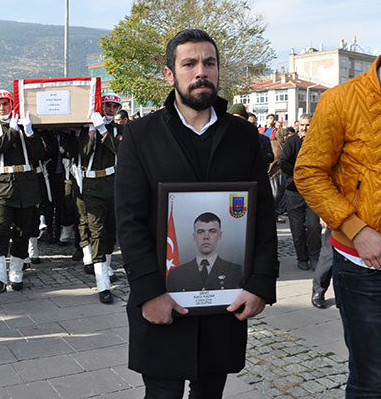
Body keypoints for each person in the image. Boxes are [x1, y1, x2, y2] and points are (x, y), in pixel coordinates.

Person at [116, 29, 278, 398]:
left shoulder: (243, 136)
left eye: (209, 63)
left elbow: (263, 216)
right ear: (170, 74)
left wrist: (260, 285)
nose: (200, 71)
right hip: (164, 302)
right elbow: (129, 221)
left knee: (211, 392)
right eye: (189, 63)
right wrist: (148, 292)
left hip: (225, 301)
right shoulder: (141, 135)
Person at [294, 24, 381, 398]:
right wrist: (356, 228)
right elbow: (308, 172)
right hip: (364, 272)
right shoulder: (342, 101)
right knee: (371, 380)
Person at [0, 90, 43, 293]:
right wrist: (13, 131)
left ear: (12, 105)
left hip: (25, 186)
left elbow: (39, 155)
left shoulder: (24, 127)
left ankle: (16, 273)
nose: (2, 108)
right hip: (2, 186)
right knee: (1, 230)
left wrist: (30, 133)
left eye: (5, 104)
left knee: (21, 231)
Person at [79, 92, 124, 304]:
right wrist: (91, 132)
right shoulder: (87, 129)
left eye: (115, 107)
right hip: (91, 186)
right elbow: (83, 154)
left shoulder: (120, 129)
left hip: (113, 183)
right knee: (96, 231)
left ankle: (106, 267)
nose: (110, 110)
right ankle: (102, 283)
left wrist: (104, 132)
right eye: (107, 105)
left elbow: (121, 151)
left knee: (111, 230)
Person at [281, 114, 320, 270]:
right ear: (298, 125)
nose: (305, 128)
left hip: (313, 191)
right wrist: (299, 173)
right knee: (297, 229)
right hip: (293, 191)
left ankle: (314, 256)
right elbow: (284, 162)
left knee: (313, 226)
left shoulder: (318, 142)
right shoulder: (291, 142)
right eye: (302, 125)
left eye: (308, 125)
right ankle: (301, 257)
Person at [166, 212, 243, 292]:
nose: (206, 237)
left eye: (212, 231)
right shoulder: (176, 274)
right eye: (200, 232)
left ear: (220, 235)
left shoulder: (235, 271)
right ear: (194, 236)